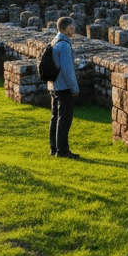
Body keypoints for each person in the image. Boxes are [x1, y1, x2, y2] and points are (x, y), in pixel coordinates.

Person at [48, 17, 82, 159]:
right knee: (64, 119)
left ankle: (54, 148)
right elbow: (68, 71)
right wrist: (74, 89)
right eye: (72, 26)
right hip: (63, 87)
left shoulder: (54, 41)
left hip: (53, 85)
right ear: (66, 28)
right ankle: (62, 150)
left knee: (55, 117)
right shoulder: (65, 46)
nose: (74, 29)